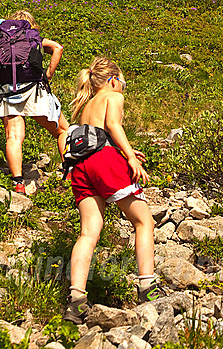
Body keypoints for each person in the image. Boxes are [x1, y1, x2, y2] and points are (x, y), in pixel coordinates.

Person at [64, 57, 164, 324]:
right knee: (144, 222)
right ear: (113, 79)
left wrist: (122, 150)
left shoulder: (85, 105)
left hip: (81, 166)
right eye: (123, 82)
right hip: (104, 162)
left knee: (88, 233)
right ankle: (148, 288)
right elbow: (112, 126)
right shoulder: (113, 97)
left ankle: (76, 301)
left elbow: (96, 134)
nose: (123, 88)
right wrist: (129, 157)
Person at [0, 10, 69, 195]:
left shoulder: (0, 43)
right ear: (31, 25)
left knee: (13, 138)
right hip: (34, 90)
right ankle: (69, 171)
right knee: (62, 130)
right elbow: (58, 48)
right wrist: (48, 74)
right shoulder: (35, 39)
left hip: (7, 92)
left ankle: (18, 182)